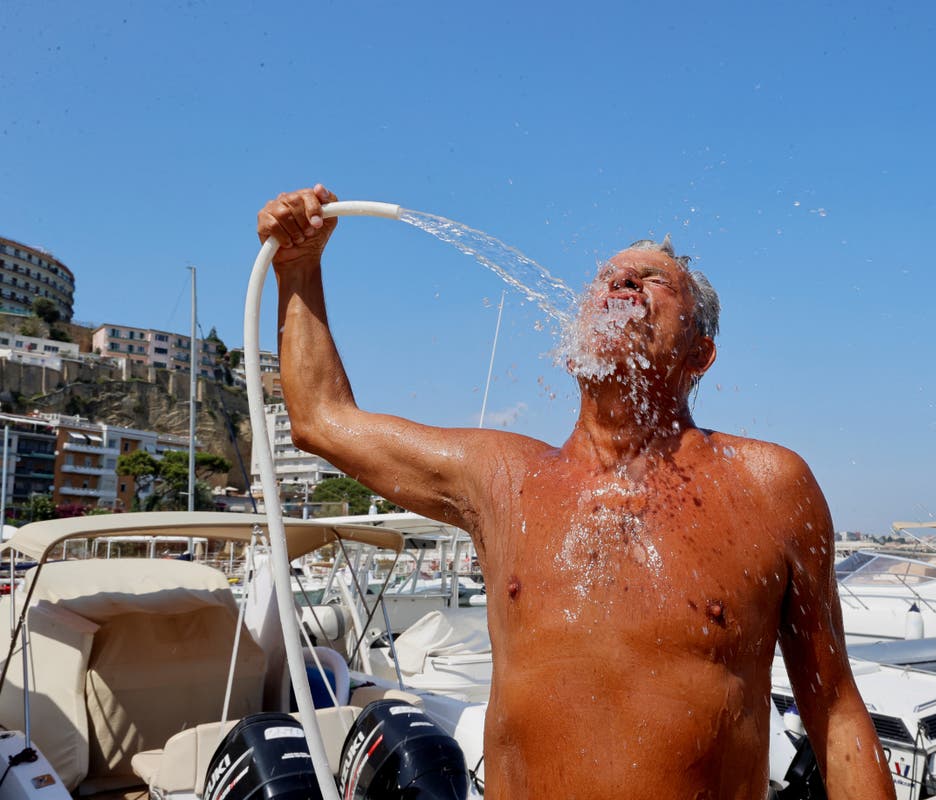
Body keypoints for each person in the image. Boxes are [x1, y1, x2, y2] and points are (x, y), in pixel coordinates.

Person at [259, 184, 894, 800]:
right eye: (610, 278)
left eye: (651, 281)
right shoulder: (503, 479)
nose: (621, 284)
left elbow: (834, 708)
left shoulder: (769, 486)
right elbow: (322, 420)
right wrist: (299, 268)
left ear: (700, 354)